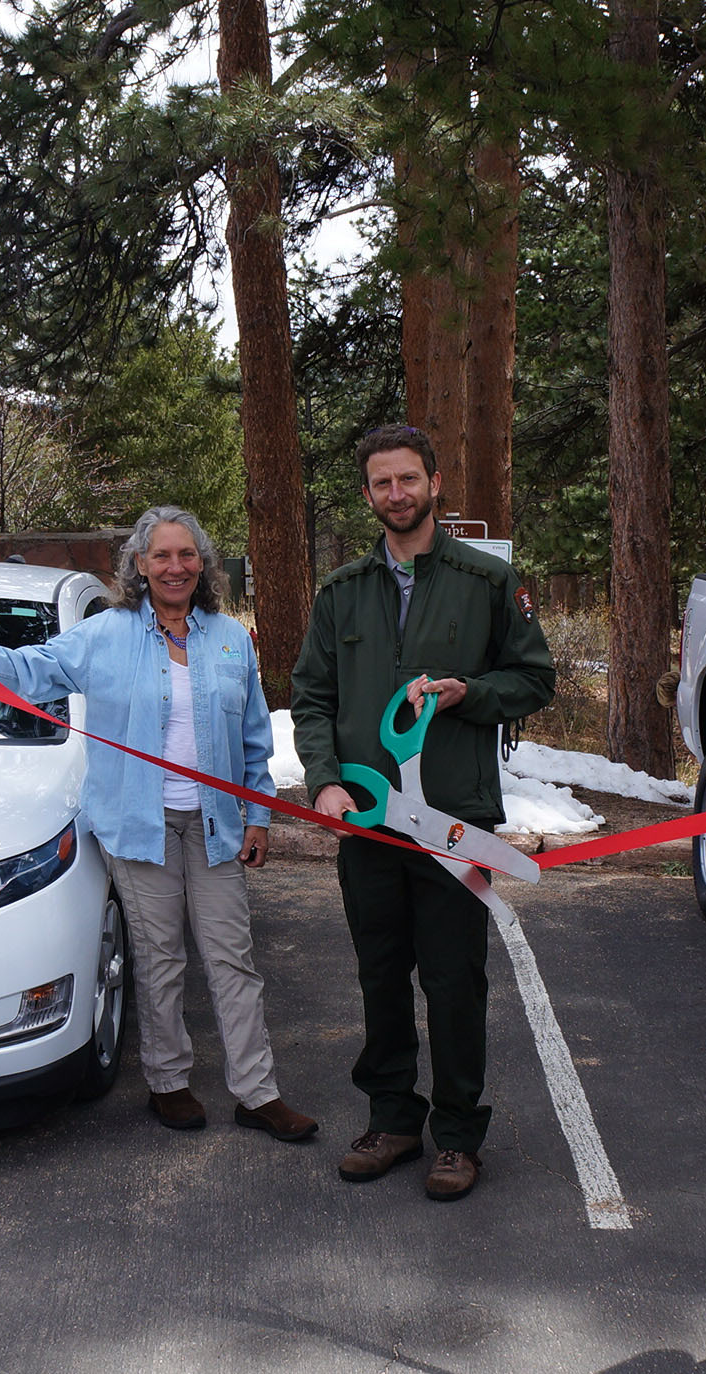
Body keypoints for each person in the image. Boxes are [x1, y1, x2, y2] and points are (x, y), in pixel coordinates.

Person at [0, 505, 315, 1143]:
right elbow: (39, 667)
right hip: (140, 825)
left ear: (203, 564)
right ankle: (169, 1083)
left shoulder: (229, 639)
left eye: (187, 555)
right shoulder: (105, 634)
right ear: (139, 564)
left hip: (216, 823)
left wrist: (259, 814)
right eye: (161, 556)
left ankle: (258, 1093)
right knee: (160, 958)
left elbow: (254, 739)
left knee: (232, 959)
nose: (175, 567)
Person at [291, 424, 555, 1202]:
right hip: (367, 819)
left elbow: (534, 679)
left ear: (435, 484)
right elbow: (312, 699)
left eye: (408, 480)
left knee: (453, 979)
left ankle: (459, 1137)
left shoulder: (488, 583)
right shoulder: (340, 593)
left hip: (453, 821)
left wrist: (471, 694)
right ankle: (393, 1120)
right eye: (382, 484)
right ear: (368, 495)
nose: (396, 495)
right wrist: (324, 783)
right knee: (380, 974)